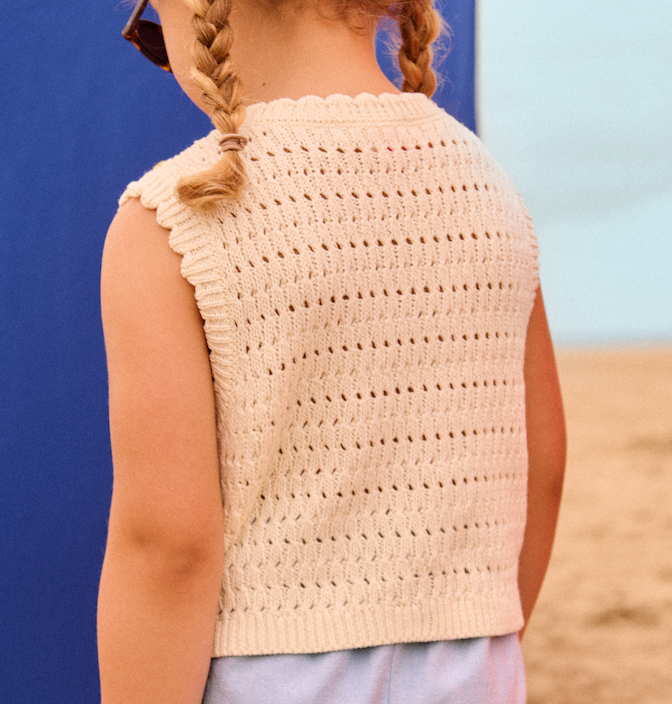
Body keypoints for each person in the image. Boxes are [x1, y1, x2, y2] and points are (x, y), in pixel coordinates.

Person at [97, 0, 566, 702]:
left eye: (151, 20)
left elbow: (168, 546)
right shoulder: (489, 191)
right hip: (472, 672)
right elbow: (542, 467)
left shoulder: (176, 217)